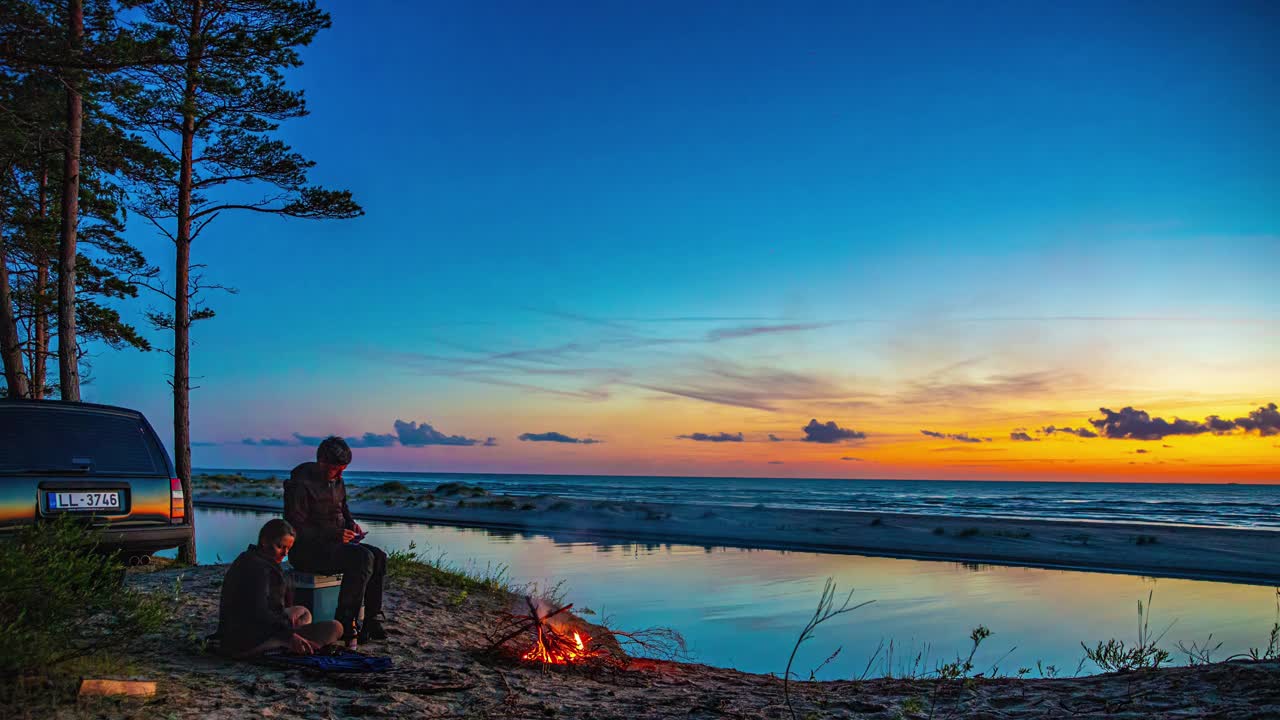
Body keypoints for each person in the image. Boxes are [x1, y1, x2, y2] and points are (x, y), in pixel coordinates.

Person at [284, 435, 388, 645]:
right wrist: (333, 534)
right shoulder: (300, 484)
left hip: (334, 546)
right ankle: (345, 621)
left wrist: (350, 524)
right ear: (321, 461)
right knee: (361, 558)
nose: (341, 473)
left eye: (343, 468)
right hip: (308, 551)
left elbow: (342, 509)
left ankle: (372, 619)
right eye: (336, 468)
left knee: (378, 555)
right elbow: (295, 528)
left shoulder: (337, 480)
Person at [216, 518, 342, 657]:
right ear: (264, 541)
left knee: (302, 612)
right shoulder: (258, 568)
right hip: (247, 637)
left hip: (246, 627)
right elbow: (259, 613)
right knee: (335, 628)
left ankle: (287, 641)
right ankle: (280, 645)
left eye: (288, 549)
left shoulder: (250, 557)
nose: (285, 554)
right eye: (280, 547)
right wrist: (288, 636)